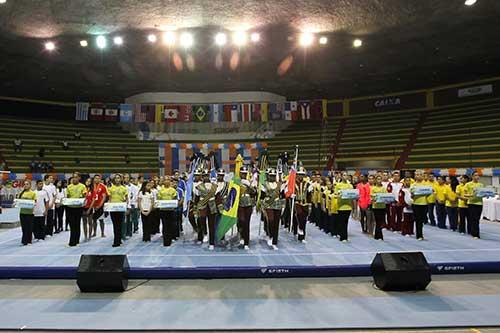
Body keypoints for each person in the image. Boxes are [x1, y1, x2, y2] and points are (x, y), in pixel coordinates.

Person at [194, 169, 218, 250]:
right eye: (204, 176)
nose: (206, 177)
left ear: (209, 176)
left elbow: (217, 198)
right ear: (202, 177)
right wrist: (194, 208)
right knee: (202, 220)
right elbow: (196, 198)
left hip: (212, 206)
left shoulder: (215, 186)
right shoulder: (198, 186)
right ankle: (204, 233)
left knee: (212, 225)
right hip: (202, 206)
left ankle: (212, 243)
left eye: (207, 175)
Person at [261, 168, 283, 250]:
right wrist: (262, 206)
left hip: (278, 205)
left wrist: (283, 206)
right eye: (271, 176)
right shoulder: (264, 184)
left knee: (276, 223)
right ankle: (270, 236)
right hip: (268, 205)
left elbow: (282, 195)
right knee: (271, 220)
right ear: (268, 176)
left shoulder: (279, 184)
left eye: (274, 176)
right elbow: (262, 197)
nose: (272, 177)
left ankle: (274, 241)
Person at [107, 174, 128, 247]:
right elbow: (109, 199)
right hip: (113, 209)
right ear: (114, 180)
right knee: (115, 225)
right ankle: (116, 240)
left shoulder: (124, 188)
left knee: (120, 225)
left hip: (121, 208)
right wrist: (108, 207)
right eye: (116, 178)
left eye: (118, 178)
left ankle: (118, 240)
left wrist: (126, 207)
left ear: (121, 179)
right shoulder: (110, 188)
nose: (117, 179)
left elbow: (126, 199)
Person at [66, 173, 86, 246]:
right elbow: (67, 197)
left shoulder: (82, 186)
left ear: (79, 178)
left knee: (77, 224)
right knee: (72, 224)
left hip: (78, 208)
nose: (75, 179)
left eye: (76, 177)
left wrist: (81, 200)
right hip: (70, 208)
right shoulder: (69, 187)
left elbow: (84, 196)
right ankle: (72, 241)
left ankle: (76, 240)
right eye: (73, 177)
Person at [238, 166, 256, 249]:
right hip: (240, 203)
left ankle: (246, 242)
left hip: (248, 203)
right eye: (242, 173)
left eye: (245, 174)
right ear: (240, 173)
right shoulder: (236, 182)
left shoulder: (249, 182)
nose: (244, 175)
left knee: (247, 223)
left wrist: (249, 185)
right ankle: (241, 234)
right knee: (241, 220)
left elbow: (254, 192)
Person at [157, 176, 179, 247]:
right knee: (164, 225)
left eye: (168, 180)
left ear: (170, 181)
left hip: (171, 210)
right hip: (163, 210)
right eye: (165, 180)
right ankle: (165, 241)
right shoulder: (160, 190)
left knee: (170, 225)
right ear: (163, 181)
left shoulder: (173, 190)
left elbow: (175, 199)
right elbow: (159, 199)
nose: (166, 181)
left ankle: (170, 240)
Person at [293, 167, 312, 243]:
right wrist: (292, 194)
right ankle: (299, 229)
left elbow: (310, 195)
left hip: (305, 203)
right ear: (297, 175)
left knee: (304, 219)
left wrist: (310, 205)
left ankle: (302, 237)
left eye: (302, 175)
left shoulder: (308, 184)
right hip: (297, 202)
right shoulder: (293, 183)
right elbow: (289, 192)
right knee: (299, 215)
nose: (301, 176)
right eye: (299, 175)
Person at [334, 171, 353, 242]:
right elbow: (335, 195)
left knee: (346, 222)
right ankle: (342, 237)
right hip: (341, 206)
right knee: (341, 222)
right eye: (344, 175)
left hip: (348, 206)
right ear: (341, 176)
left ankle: (345, 236)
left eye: (346, 175)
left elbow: (353, 195)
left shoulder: (350, 185)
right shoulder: (338, 185)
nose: (345, 177)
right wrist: (340, 195)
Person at [465, 171, 484, 239]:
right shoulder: (468, 184)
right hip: (472, 203)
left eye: (478, 175)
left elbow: (482, 194)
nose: (477, 176)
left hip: (479, 203)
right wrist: (472, 195)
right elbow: (465, 194)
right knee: (473, 219)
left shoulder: (481, 185)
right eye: (475, 175)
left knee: (477, 219)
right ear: (472, 176)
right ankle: (475, 234)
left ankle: (475, 232)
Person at [17, 180, 36, 246]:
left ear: (30, 185)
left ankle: (29, 240)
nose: (25, 185)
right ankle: (24, 241)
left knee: (29, 227)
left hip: (30, 213)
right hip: (22, 212)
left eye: (27, 184)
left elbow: (35, 202)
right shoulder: (21, 193)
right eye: (24, 184)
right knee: (24, 227)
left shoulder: (33, 193)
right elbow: (18, 201)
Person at [410, 171, 428, 240]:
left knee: (422, 220)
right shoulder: (413, 185)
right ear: (415, 176)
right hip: (416, 204)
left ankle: (420, 233)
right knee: (418, 220)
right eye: (417, 175)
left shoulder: (426, 184)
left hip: (424, 204)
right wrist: (413, 194)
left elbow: (428, 193)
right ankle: (419, 235)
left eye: (420, 175)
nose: (419, 176)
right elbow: (411, 196)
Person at [370, 175, 387, 241]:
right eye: (378, 179)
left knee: (381, 221)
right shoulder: (373, 188)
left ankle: (377, 235)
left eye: (380, 179)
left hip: (383, 207)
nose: (379, 181)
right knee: (377, 221)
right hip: (376, 207)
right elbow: (371, 197)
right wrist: (374, 199)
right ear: (375, 180)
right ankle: (379, 236)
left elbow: (386, 196)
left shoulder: (384, 188)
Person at [82, 178, 95, 242]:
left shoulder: (93, 190)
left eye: (89, 181)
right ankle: (85, 236)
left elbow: (93, 200)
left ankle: (89, 236)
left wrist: (89, 209)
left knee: (90, 222)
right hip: (83, 207)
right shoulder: (82, 188)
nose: (88, 182)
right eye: (87, 181)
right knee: (84, 222)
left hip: (90, 207)